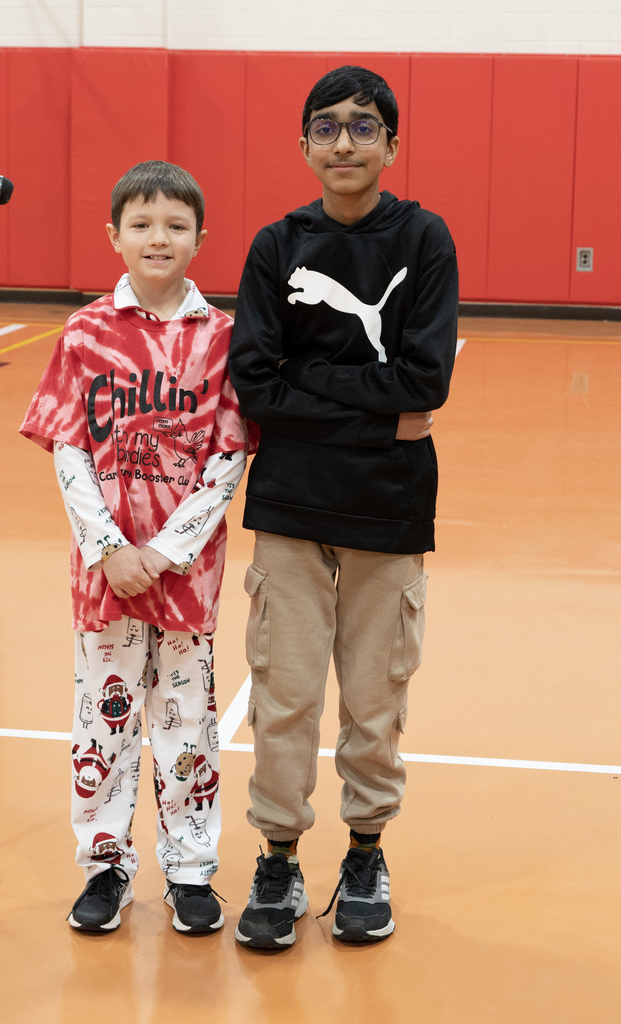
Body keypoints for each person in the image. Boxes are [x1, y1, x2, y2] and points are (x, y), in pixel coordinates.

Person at [228, 65, 459, 950]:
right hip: (288, 505)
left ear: (390, 145)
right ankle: (278, 858)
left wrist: (305, 388)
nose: (344, 142)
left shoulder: (424, 239)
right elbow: (252, 382)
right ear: (303, 146)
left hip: (389, 507)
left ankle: (365, 853)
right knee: (283, 695)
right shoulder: (274, 245)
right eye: (325, 128)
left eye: (363, 127)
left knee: (374, 697)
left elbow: (426, 378)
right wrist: (373, 409)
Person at [20, 160, 253, 935]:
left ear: (199, 239)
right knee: (104, 723)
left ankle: (189, 871)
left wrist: (169, 549)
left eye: (176, 225)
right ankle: (106, 867)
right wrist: (111, 547)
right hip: (106, 579)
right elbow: (67, 448)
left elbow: (228, 455)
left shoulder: (219, 337)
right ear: (114, 235)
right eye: (143, 223)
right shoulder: (87, 332)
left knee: (188, 723)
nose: (159, 237)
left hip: (184, 580)